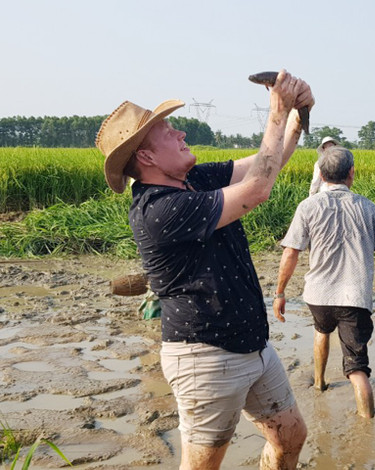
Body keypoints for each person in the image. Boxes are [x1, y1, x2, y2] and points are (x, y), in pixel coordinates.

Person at [95, 69, 312, 470]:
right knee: (202, 465)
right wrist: (276, 113)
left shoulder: (193, 178)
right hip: (205, 355)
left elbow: (268, 164)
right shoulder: (157, 209)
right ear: (146, 156)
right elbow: (259, 190)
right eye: (169, 131)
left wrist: (297, 117)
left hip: (253, 343)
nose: (180, 134)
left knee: (291, 435)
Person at [273, 146, 375, 419]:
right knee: (357, 368)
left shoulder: (308, 207)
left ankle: (318, 381)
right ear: (351, 173)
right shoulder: (369, 208)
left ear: (322, 175)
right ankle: (367, 423)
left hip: (319, 295)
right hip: (355, 297)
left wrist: (280, 292)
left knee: (321, 330)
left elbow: (291, 252)